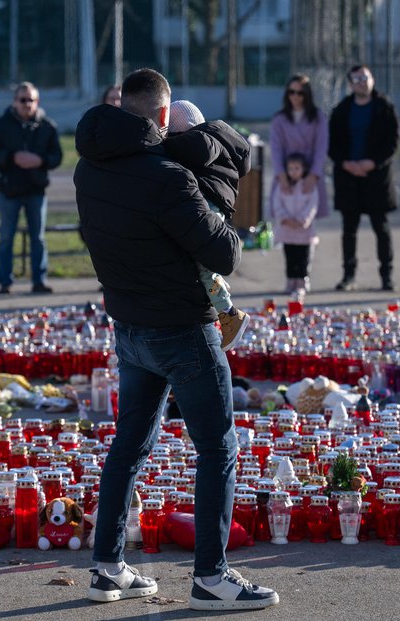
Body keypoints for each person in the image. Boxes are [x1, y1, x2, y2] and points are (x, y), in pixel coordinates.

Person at [74, 68, 279, 611]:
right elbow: (225, 253)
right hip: (182, 329)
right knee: (217, 447)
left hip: (129, 327)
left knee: (129, 446)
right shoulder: (169, 177)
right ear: (164, 117)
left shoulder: (89, 167)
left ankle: (107, 567)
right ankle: (212, 577)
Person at [162, 99, 252, 351]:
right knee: (203, 262)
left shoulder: (199, 143)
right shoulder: (222, 137)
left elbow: (187, 151)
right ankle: (216, 288)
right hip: (218, 206)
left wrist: (160, 142)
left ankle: (230, 314)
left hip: (208, 207)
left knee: (202, 264)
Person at [0, 81, 62, 294]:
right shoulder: (1, 125)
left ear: (38, 102)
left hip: (36, 191)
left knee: (38, 238)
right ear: (14, 101)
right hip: (10, 190)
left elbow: (57, 157)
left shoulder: (47, 126)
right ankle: (5, 282)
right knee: (6, 237)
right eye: (22, 100)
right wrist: (10, 157)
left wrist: (40, 161)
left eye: (31, 100)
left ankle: (39, 280)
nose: (27, 104)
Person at [328, 64, 400, 292]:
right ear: (350, 83)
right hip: (349, 179)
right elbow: (332, 144)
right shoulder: (341, 110)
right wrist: (347, 164)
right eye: (357, 78)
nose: (362, 82)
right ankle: (349, 275)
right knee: (349, 229)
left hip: (376, 178)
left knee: (382, 227)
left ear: (372, 79)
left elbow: (392, 142)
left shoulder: (384, 107)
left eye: (366, 77)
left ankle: (386, 275)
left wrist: (372, 163)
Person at [268, 74, 328, 265]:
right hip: (287, 175)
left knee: (306, 225)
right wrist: (281, 175)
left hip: (309, 176)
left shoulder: (318, 118)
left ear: (307, 94)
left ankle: (303, 275)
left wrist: (314, 175)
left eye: (300, 93)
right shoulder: (279, 119)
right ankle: (290, 274)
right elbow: (276, 149)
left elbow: (321, 147)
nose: (296, 96)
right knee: (286, 224)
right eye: (291, 92)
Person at [269, 152, 319, 294]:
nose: (294, 172)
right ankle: (290, 281)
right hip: (287, 230)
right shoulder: (282, 186)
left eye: (297, 168)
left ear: (304, 169)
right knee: (290, 257)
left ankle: (302, 282)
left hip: (304, 230)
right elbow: (276, 203)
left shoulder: (309, 187)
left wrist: (304, 220)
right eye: (290, 168)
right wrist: (285, 218)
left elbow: (312, 205)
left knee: (304, 257)